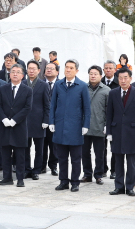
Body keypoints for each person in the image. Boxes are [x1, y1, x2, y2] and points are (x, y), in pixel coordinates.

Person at [49, 59, 90, 192]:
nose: (68, 70)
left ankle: (75, 182)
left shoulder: (82, 86)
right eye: (66, 67)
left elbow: (87, 108)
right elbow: (53, 105)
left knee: (76, 158)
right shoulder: (58, 84)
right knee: (61, 157)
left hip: (76, 127)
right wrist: (52, 121)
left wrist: (85, 125)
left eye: (71, 68)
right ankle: (63, 181)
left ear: (76, 71)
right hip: (60, 126)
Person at [106, 67, 135, 197]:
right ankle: (119, 186)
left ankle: (129, 187)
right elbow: (109, 114)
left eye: (125, 78)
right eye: (120, 78)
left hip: (132, 132)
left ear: (130, 78)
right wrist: (109, 132)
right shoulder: (113, 93)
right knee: (118, 161)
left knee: (131, 162)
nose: (123, 80)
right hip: (117, 131)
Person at [0, 64, 33, 187]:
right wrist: (4, 119)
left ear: (22, 76)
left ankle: (20, 179)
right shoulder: (3, 89)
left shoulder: (27, 90)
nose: (15, 74)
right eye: (13, 72)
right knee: (5, 154)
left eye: (18, 72)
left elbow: (27, 108)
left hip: (19, 127)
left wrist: (15, 120)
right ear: (9, 74)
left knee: (20, 155)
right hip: (5, 126)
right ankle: (7, 178)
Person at [82, 65, 109, 185]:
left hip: (99, 127)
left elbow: (109, 110)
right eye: (91, 73)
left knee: (99, 154)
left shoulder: (107, 90)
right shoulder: (83, 88)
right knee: (84, 153)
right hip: (85, 127)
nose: (93, 76)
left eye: (95, 74)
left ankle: (98, 175)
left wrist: (106, 125)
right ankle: (87, 174)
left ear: (100, 76)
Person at [24, 60, 50, 180]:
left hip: (39, 122)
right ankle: (27, 169)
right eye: (29, 68)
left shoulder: (44, 85)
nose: (31, 70)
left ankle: (36, 170)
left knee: (39, 148)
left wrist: (46, 120)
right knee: (25, 147)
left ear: (39, 71)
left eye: (34, 68)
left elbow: (47, 105)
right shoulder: (23, 83)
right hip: (24, 121)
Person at [101, 60, 119, 179]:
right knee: (101, 148)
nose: (108, 70)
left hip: (114, 121)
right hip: (101, 120)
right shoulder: (98, 82)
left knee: (115, 147)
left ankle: (114, 170)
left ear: (115, 70)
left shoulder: (119, 83)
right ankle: (102, 169)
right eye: (106, 68)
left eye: (110, 68)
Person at [41, 62, 59, 176]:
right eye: (47, 68)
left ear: (57, 72)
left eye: (51, 69)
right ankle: (41, 166)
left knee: (54, 145)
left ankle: (53, 166)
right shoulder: (40, 84)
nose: (49, 70)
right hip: (42, 119)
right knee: (42, 145)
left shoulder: (61, 84)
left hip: (55, 120)